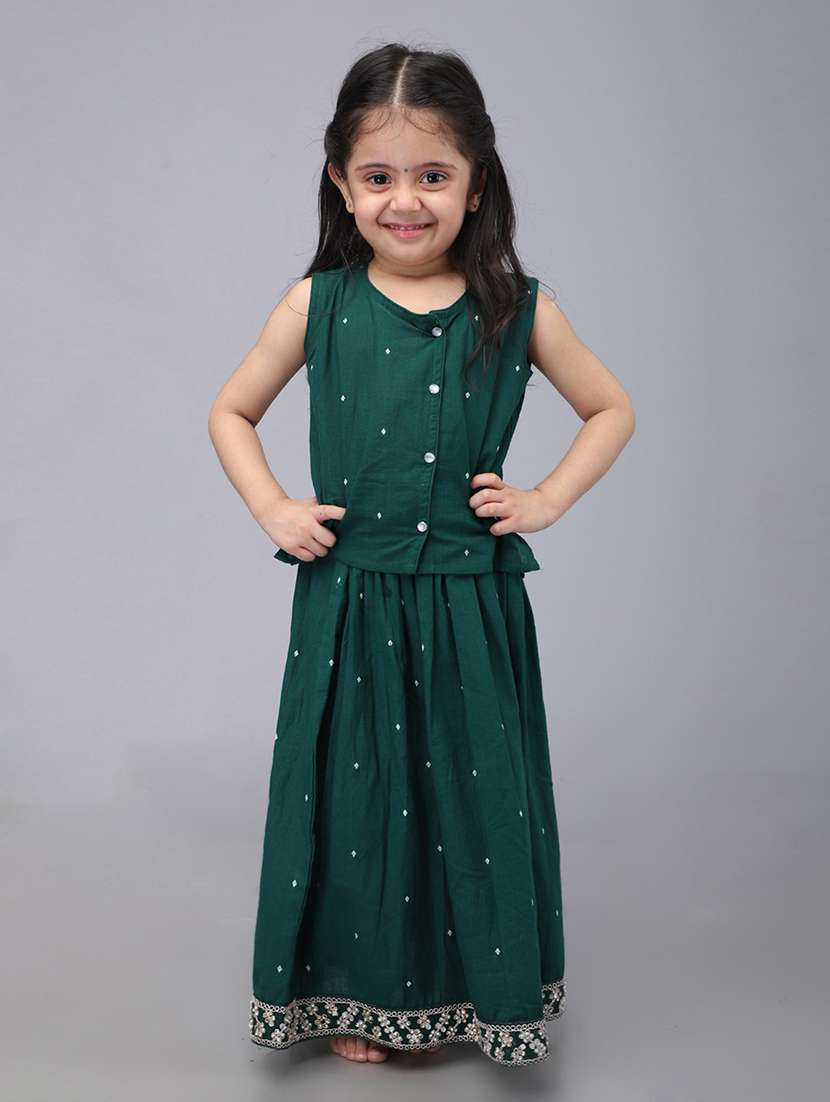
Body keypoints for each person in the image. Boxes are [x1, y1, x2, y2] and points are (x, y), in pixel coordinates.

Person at [208, 42, 635, 1068]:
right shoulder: (317, 304)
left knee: (471, 795)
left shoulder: (517, 308)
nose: (406, 200)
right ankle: (359, 998)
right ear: (340, 183)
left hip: (469, 604)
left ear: (476, 182)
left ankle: (475, 996)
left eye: (433, 175)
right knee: (355, 797)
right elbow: (230, 410)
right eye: (379, 176)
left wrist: (544, 498)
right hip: (349, 603)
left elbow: (610, 408)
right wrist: (271, 506)